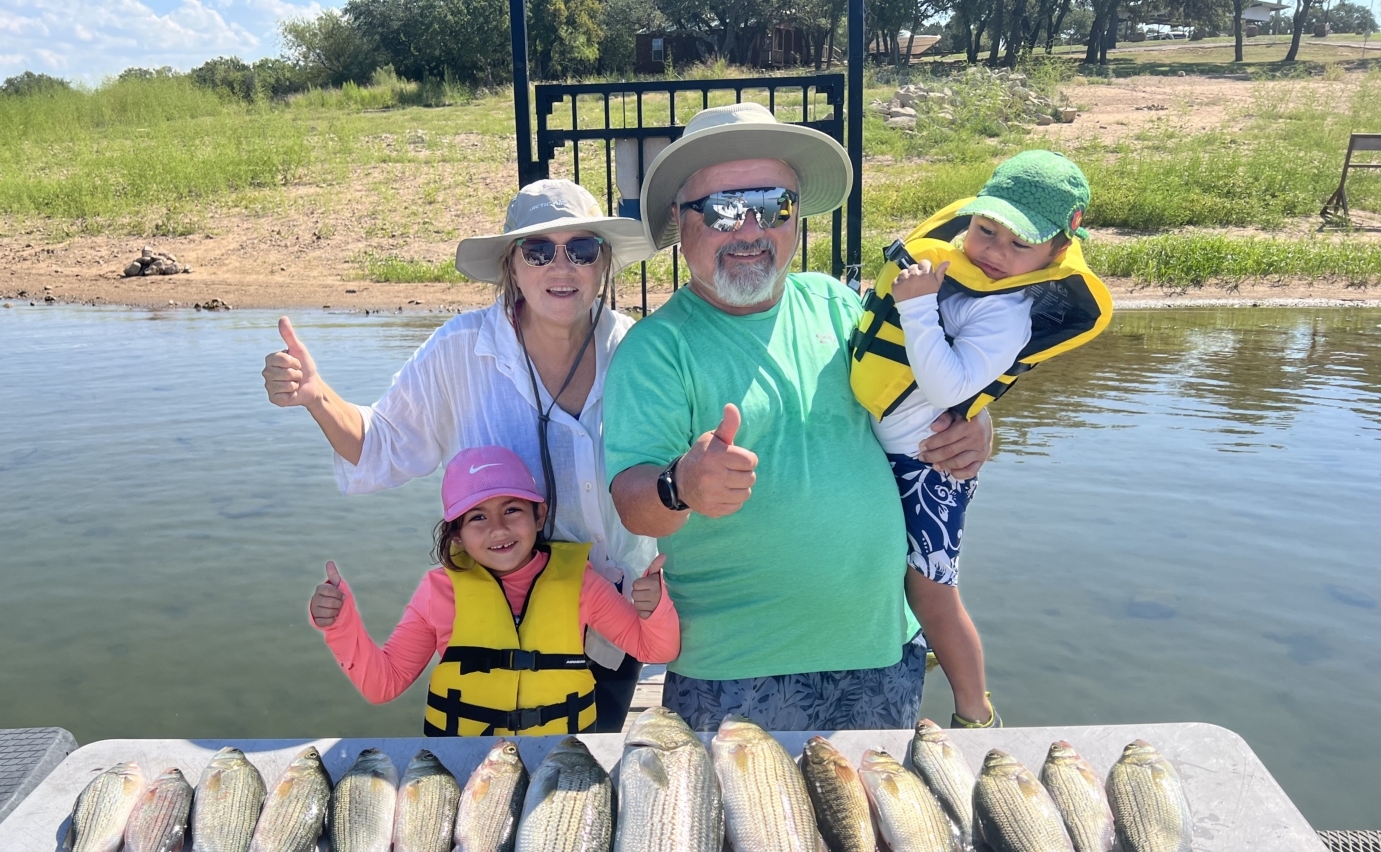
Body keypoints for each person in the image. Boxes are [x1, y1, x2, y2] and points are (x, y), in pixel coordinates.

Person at [602, 103, 993, 733]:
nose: (751, 229)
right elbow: (630, 501)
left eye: (774, 206)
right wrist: (681, 484)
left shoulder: (840, 305)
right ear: (681, 219)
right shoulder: (655, 349)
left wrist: (975, 430)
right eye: (727, 209)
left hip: (881, 651)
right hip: (734, 676)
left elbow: (931, 396)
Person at [263, 179, 657, 732]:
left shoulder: (636, 350)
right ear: (511, 266)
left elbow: (676, 479)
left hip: (605, 613)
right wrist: (316, 393)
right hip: (489, 616)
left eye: (582, 249)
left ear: (604, 263)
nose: (561, 267)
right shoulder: (460, 349)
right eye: (538, 250)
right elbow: (380, 443)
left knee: (580, 790)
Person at [850, 150, 1112, 728]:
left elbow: (948, 388)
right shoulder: (961, 281)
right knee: (899, 577)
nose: (993, 251)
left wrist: (916, 308)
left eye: (1019, 243)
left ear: (1057, 252)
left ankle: (975, 712)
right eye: (985, 229)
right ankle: (920, 655)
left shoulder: (1006, 314)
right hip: (896, 453)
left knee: (934, 596)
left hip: (929, 465)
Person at [310, 447, 680, 735]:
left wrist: (655, 609)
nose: (498, 529)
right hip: (468, 774)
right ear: (456, 533)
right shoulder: (438, 593)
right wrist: (340, 625)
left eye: (512, 509)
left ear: (539, 515)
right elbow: (383, 684)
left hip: (554, 765)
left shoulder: (580, 583)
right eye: (478, 517)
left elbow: (656, 649)